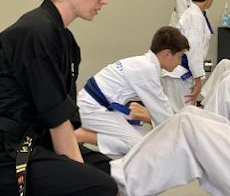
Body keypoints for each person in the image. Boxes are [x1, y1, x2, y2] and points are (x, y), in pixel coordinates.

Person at [0, 0, 119, 196]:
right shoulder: (36, 32)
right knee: (100, 190)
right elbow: (56, 121)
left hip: (34, 141)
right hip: (8, 150)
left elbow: (64, 120)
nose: (104, 0)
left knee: (108, 170)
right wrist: (85, 179)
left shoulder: (65, 40)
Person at [75, 26, 190, 156]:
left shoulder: (144, 64)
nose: (179, 63)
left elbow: (161, 110)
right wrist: (183, 135)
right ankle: (82, 135)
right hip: (93, 108)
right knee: (140, 148)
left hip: (96, 103)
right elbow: (162, 111)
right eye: (180, 57)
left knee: (144, 136)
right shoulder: (147, 70)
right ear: (167, 54)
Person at [162, 0, 216, 107]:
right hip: (180, 75)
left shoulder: (192, 14)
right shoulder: (195, 17)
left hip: (178, 74)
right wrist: (198, 80)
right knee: (181, 114)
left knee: (178, 113)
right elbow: (193, 50)